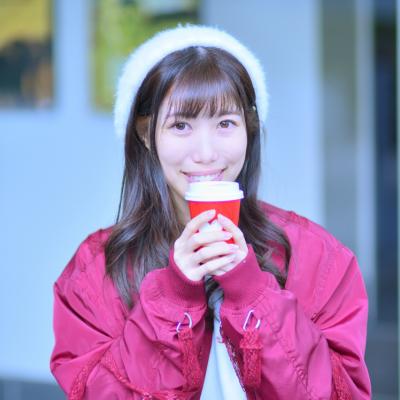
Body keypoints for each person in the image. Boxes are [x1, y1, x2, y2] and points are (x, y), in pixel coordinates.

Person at [50, 24, 371, 399]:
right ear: (145, 134)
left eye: (225, 124)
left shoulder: (318, 257)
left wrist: (252, 292)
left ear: (249, 129)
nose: (205, 153)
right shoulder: (96, 271)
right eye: (180, 125)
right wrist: (173, 295)